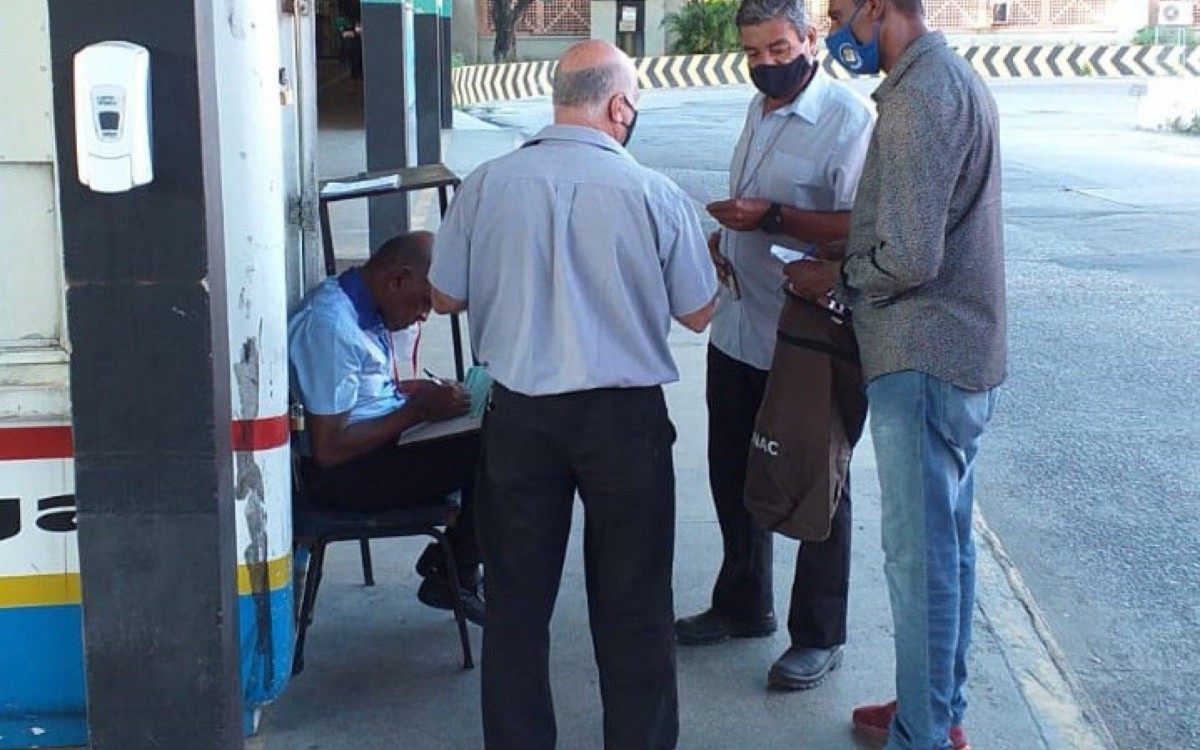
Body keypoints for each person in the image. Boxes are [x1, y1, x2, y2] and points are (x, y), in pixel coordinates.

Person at [431, 40, 717, 750]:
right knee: (634, 602)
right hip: (624, 424)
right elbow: (698, 312)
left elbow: (443, 295)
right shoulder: (654, 193)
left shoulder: (486, 185)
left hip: (519, 417)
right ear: (620, 105)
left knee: (518, 606)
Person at [793, 0, 1007, 747]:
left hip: (922, 355)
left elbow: (912, 257)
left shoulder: (918, 98)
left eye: (843, 13)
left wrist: (840, 278)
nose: (837, 31)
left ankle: (923, 730)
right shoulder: (950, 78)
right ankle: (935, 711)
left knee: (919, 562)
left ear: (881, 9)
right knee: (945, 547)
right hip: (958, 353)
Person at [672, 0, 875, 692]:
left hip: (809, 337)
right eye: (754, 53)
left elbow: (863, 226)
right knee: (732, 473)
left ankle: (818, 636)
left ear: (810, 40)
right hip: (739, 325)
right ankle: (741, 602)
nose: (766, 64)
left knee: (817, 482)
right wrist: (723, 239)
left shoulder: (849, 122)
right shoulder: (758, 110)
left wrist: (774, 219)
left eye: (779, 49)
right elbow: (749, 199)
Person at [288, 232, 485, 624]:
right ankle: (453, 571)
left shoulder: (364, 308)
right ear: (397, 279)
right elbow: (329, 449)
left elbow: (359, 396)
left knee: (496, 430)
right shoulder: (331, 327)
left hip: (379, 446)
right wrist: (418, 412)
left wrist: (420, 395)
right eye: (424, 302)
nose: (424, 315)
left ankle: (455, 567)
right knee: (497, 448)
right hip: (346, 476)